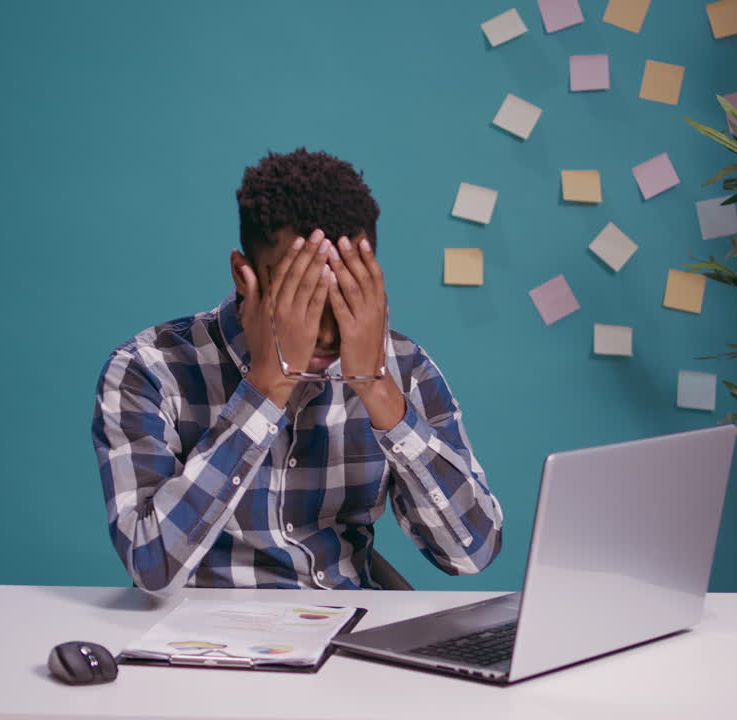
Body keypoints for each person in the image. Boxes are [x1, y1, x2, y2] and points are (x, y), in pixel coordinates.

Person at [92, 148, 502, 593]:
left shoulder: (404, 367)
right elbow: (150, 566)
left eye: (345, 292)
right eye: (300, 293)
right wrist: (267, 386)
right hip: (202, 645)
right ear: (242, 275)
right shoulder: (149, 369)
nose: (325, 332)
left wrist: (377, 388)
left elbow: (472, 553)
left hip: (351, 637)